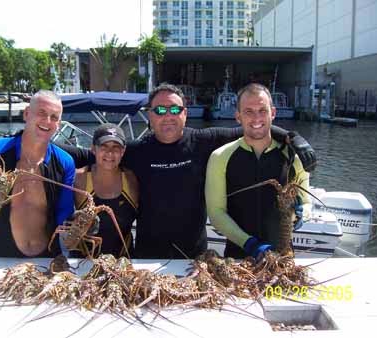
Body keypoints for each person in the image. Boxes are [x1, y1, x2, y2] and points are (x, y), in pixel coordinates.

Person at [61, 83, 316, 259]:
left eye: (175, 109)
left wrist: (294, 139)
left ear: (185, 113)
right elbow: (85, 153)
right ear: (149, 115)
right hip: (148, 255)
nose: (168, 116)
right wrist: (28, 138)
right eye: (160, 110)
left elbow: (255, 128)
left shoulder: (205, 141)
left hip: (195, 256)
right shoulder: (137, 151)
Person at [0, 90, 75, 258]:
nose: (47, 121)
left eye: (54, 117)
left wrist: (78, 223)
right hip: (2, 254)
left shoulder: (65, 162)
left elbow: (64, 211)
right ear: (27, 113)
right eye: (41, 113)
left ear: (59, 123)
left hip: (48, 257)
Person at [205, 83, 311, 259]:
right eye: (248, 111)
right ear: (238, 116)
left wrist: (301, 213)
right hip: (238, 255)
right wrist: (250, 244)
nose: (256, 118)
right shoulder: (220, 157)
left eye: (263, 110)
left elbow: (306, 202)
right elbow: (216, 212)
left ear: (273, 113)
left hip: (284, 255)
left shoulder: (294, 157)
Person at [74, 123, 138, 257]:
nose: (110, 153)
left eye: (116, 147)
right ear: (93, 149)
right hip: (82, 262)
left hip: (123, 261)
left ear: (123, 151)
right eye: (104, 147)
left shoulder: (131, 179)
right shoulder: (79, 178)